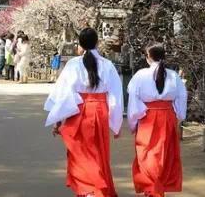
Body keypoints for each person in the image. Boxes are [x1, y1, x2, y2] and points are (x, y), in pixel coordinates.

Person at [44, 27, 123, 197]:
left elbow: (63, 95)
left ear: (80, 44)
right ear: (97, 43)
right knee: (98, 151)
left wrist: (58, 122)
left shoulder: (73, 64)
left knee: (79, 152)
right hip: (100, 110)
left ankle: (87, 189)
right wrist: (116, 124)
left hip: (78, 111)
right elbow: (115, 96)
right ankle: (97, 188)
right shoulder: (107, 65)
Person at [127, 43, 187, 197]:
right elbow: (181, 97)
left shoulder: (140, 75)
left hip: (147, 116)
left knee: (147, 154)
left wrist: (133, 122)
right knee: (165, 155)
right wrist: (178, 117)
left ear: (148, 58)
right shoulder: (173, 75)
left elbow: (134, 100)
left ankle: (152, 189)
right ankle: (157, 189)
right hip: (167, 117)